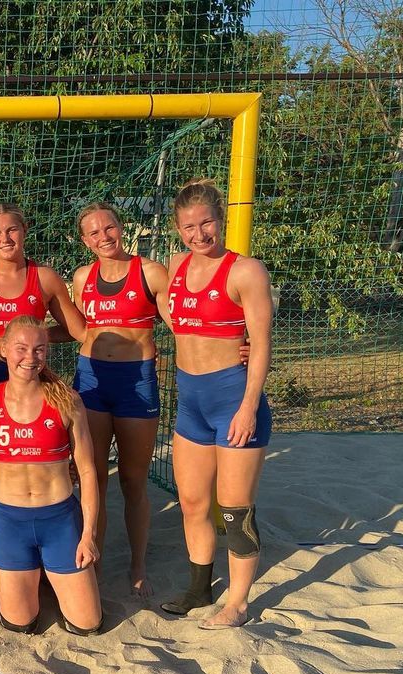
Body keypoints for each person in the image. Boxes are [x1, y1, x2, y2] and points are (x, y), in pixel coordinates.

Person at [160, 180, 273, 630]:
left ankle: (238, 604)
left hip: (232, 400)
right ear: (178, 228)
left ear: (221, 219)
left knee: (234, 508)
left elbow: (262, 344)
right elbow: (176, 318)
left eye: (207, 222)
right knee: (191, 501)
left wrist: (247, 407)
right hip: (191, 402)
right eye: (189, 226)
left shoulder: (245, 271)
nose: (199, 234)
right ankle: (198, 588)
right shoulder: (174, 265)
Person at [0, 204, 86, 550]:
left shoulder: (43, 278)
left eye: (11, 230)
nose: (5, 238)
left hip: (31, 375)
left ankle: (47, 539)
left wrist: (39, 338)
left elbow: (78, 331)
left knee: (36, 458)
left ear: (24, 230)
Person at [0, 316, 102, 635]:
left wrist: (88, 535)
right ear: (4, 350)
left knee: (87, 624)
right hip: (10, 522)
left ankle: (51, 570)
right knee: (20, 623)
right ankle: (38, 573)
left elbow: (87, 471)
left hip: (58, 519)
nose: (30, 358)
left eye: (39, 349)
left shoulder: (67, 401)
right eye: (21, 348)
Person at [71, 202, 170, 598]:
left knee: (132, 479)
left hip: (136, 381)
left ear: (121, 228)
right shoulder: (82, 277)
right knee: (91, 477)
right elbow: (78, 327)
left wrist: (237, 342)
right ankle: (90, 558)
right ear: (84, 240)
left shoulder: (150, 272)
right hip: (92, 380)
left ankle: (138, 564)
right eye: (94, 233)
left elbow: (181, 322)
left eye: (108, 228)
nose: (103, 237)